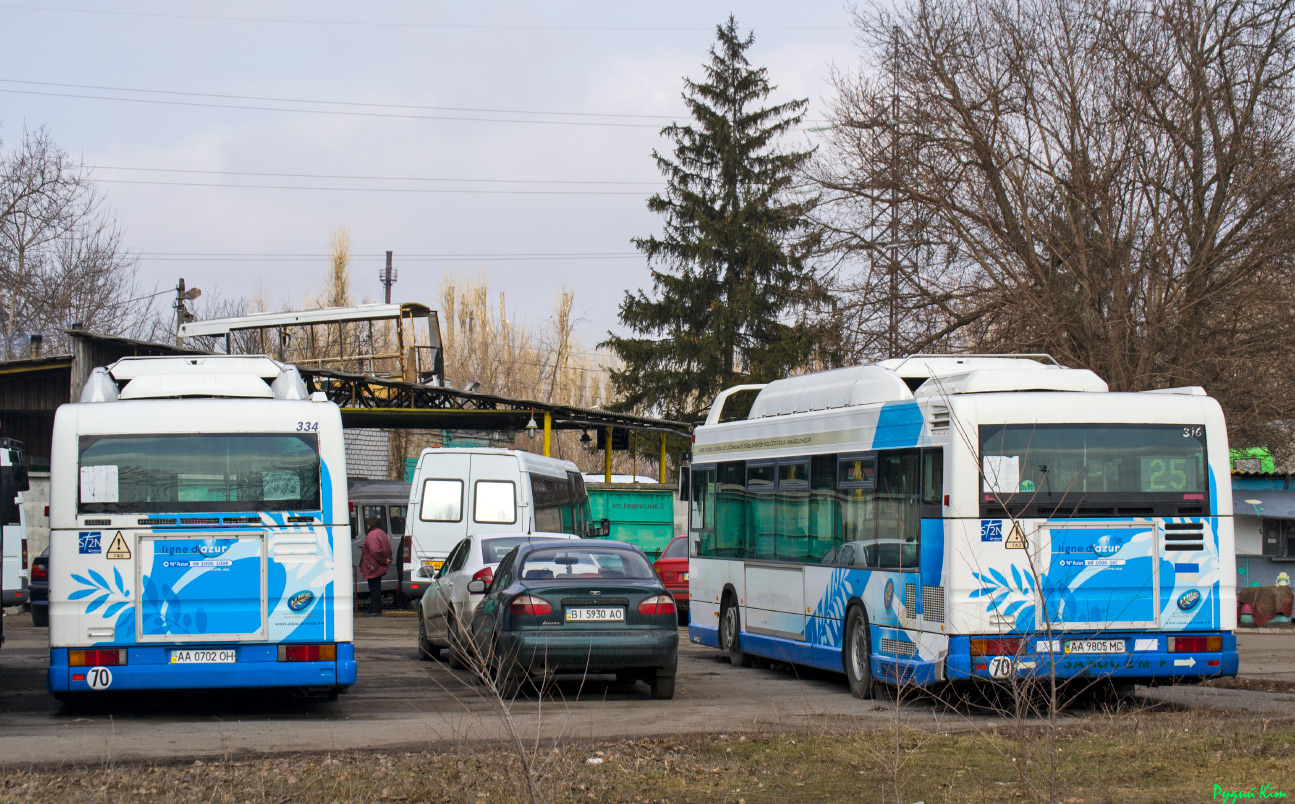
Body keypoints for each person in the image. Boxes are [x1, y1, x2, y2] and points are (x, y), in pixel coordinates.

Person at [360, 516, 392, 617]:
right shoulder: (382, 533)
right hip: (378, 566)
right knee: (376, 588)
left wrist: (383, 560)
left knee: (374, 589)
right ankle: (375, 610)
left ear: (370, 524)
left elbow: (375, 550)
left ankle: (375, 611)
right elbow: (388, 549)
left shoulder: (372, 535)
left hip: (373, 566)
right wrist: (387, 559)